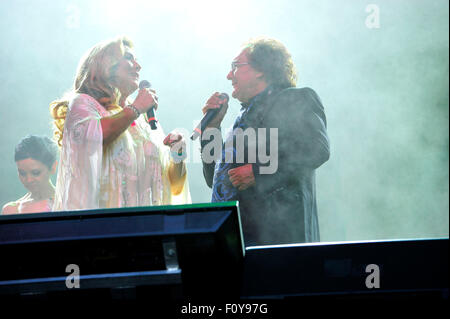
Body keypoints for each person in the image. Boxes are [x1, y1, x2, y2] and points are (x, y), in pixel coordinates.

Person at [200, 37, 330, 246]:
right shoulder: (242, 120)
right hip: (238, 240)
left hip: (280, 240)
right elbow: (214, 179)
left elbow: (317, 149)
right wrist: (212, 129)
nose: (228, 76)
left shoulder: (295, 99)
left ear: (261, 69)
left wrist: (258, 172)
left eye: (235, 67)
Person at [50, 36, 190, 211]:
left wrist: (177, 156)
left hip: (147, 227)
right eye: (129, 58)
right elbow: (91, 139)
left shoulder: (143, 121)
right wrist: (136, 107)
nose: (138, 66)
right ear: (106, 64)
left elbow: (170, 185)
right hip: (104, 226)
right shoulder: (84, 104)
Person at [2, 135, 58, 215]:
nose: (29, 180)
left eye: (35, 173)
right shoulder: (11, 210)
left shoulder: (68, 202)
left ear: (53, 167)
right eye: (22, 173)